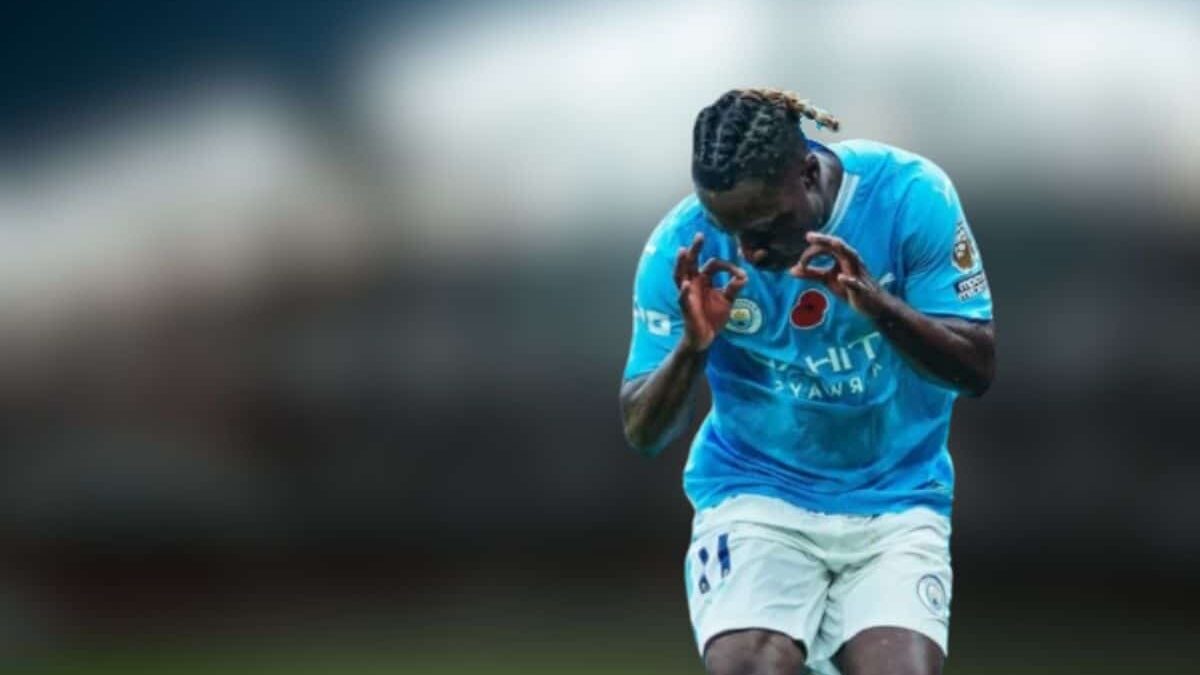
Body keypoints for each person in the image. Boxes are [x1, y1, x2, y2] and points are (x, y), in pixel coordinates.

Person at [619, 88, 995, 675]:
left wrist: (879, 307)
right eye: (729, 228)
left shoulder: (910, 196)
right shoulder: (680, 248)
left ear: (809, 173)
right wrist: (693, 349)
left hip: (896, 497)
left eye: (767, 226)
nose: (750, 251)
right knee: (747, 664)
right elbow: (643, 431)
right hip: (756, 492)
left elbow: (976, 369)